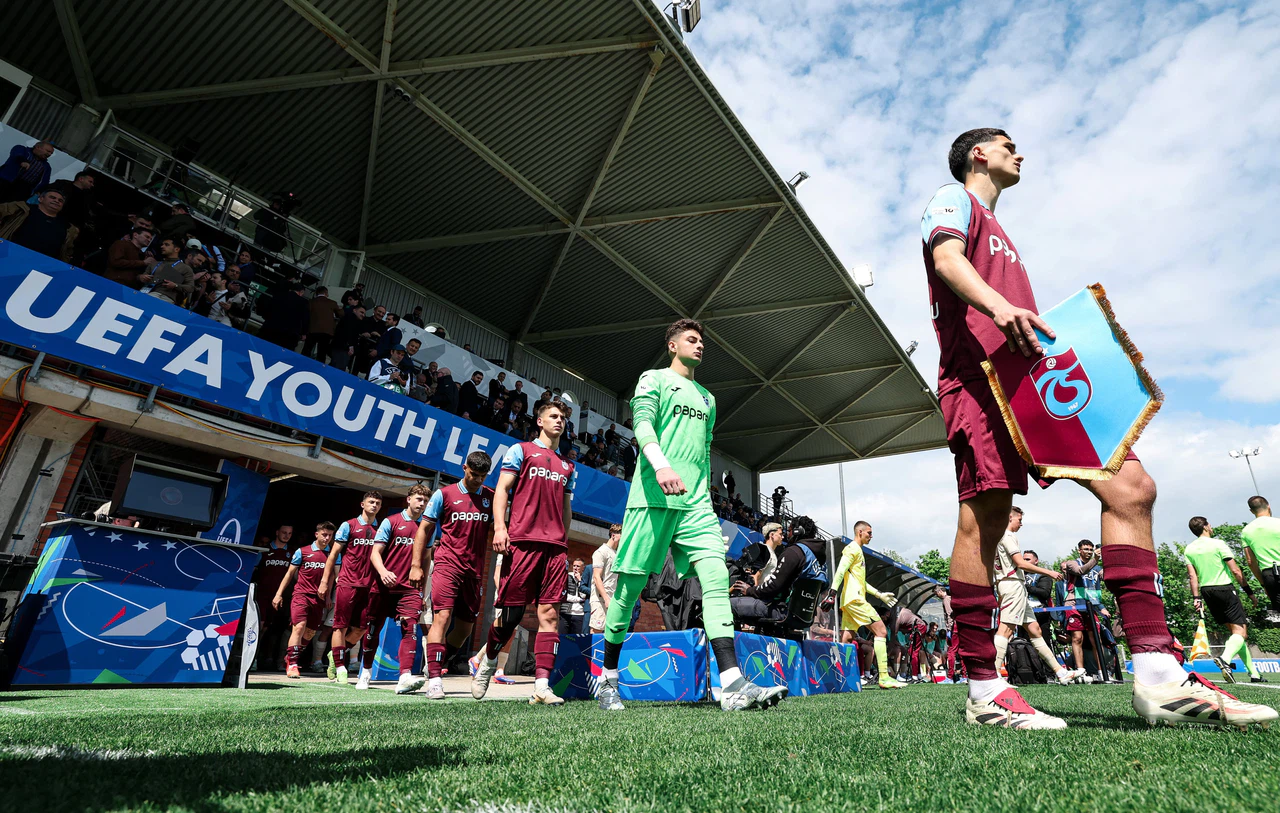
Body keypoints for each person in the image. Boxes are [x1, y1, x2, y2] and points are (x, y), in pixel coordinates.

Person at [921, 127, 1275, 729]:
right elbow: (946, 259)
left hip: (1034, 377)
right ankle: (983, 688)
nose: (1019, 154)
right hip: (978, 380)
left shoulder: (1003, 230)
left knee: (1132, 487)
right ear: (979, 154)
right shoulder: (952, 200)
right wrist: (1000, 307)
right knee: (984, 518)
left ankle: (1159, 674)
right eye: (1008, 145)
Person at [596, 319, 785, 713]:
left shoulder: (707, 398)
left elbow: (704, 450)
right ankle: (607, 679)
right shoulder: (653, 379)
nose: (699, 346)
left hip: (696, 505)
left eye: (702, 341)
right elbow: (642, 424)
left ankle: (731, 685)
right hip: (652, 498)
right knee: (628, 591)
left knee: (716, 578)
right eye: (691, 340)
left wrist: (707, 495)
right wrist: (661, 465)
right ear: (672, 345)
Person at [471, 400, 576, 706]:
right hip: (522, 542)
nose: (559, 420)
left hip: (554, 547)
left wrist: (564, 539)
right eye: (553, 416)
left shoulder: (568, 466)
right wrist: (500, 528)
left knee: (550, 615)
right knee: (511, 615)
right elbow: (502, 490)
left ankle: (541, 686)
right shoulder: (521, 450)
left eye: (562, 417)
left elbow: (566, 507)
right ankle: (489, 660)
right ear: (540, 421)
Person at [410, 451, 495, 699]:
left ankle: (436, 661)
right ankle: (435, 680)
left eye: (483, 476)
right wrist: (416, 565)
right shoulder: (444, 494)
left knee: (465, 628)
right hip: (447, 565)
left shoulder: (491, 498)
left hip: (474, 571)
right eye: (474, 474)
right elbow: (424, 530)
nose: (478, 480)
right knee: (442, 617)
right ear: (464, 467)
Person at [992, 507, 1085, 684]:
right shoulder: (1008, 536)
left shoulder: (997, 537)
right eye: (1019, 520)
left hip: (1010, 585)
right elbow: (1020, 563)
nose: (1021, 524)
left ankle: (1060, 672)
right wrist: (1048, 572)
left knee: (1035, 630)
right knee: (1006, 630)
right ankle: (994, 676)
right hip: (1013, 585)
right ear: (1010, 517)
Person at [360, 485, 432, 694]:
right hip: (383, 587)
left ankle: (404, 677)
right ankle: (365, 672)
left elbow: (426, 559)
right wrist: (383, 572)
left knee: (410, 628)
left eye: (425, 501)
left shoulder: (428, 527)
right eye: (419, 499)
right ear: (408, 499)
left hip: (410, 589)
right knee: (372, 630)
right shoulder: (390, 522)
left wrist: (423, 591)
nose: (422, 504)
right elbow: (375, 553)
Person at [1185, 516, 1261, 683]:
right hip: (1224, 589)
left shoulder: (1189, 549)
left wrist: (1196, 598)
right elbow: (1236, 571)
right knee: (1241, 632)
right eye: (1209, 524)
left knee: (1236, 634)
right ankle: (1225, 659)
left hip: (1207, 592)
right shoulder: (1218, 544)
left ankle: (1254, 674)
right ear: (1205, 527)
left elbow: (1192, 576)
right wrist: (1250, 592)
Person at [318, 491, 382, 685]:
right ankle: (340, 667)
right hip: (347, 582)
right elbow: (333, 554)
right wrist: (324, 581)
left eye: (378, 503)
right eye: (371, 502)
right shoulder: (349, 525)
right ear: (362, 504)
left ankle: (335, 654)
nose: (374, 505)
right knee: (340, 625)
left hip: (369, 585)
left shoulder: (381, 528)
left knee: (362, 628)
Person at [830, 521, 903, 689]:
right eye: (869, 533)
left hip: (849, 600)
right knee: (881, 631)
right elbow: (840, 570)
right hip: (855, 600)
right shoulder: (852, 549)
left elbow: (860, 581)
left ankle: (842, 679)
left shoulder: (858, 551)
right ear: (860, 532)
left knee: (847, 638)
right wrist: (833, 591)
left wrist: (879, 594)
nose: (871, 536)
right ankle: (884, 677)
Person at [730, 517, 827, 631]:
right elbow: (823, 587)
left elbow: (774, 586)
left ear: (797, 531)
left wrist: (749, 590)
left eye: (789, 530)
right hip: (804, 618)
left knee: (727, 604)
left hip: (781, 611)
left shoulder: (794, 552)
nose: (787, 535)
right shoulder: (819, 560)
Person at [272, 522, 338, 679]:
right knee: (299, 627)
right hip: (301, 595)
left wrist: (328, 596)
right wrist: (278, 594)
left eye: (330, 535)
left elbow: (333, 577)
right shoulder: (302, 551)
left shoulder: (334, 554)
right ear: (317, 534)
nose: (327, 538)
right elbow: (289, 574)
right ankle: (292, 663)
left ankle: (290, 655)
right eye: (324, 534)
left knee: (310, 633)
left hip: (319, 599)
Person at [253, 526, 294, 671]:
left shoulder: (292, 553)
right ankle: (252, 659)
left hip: (282, 598)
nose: (286, 535)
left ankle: (276, 660)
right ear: (277, 532)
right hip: (262, 595)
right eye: (284, 532)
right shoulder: (264, 550)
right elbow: (252, 570)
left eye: (289, 533)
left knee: (275, 630)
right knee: (259, 628)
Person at [0, 188, 77, 262]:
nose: (56, 201)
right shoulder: (22, 209)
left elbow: (67, 251)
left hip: (43, 266)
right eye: (52, 197)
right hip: (9, 257)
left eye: (60, 200)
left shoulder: (67, 227)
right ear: (41, 199)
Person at [1242, 496, 1280, 623]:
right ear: (1268, 506)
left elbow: (1250, 562)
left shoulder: (1246, 531)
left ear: (1251, 511)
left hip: (1269, 575)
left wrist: (1263, 584)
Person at [139, 238, 195, 306]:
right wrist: (141, 277)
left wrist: (175, 285)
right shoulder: (155, 263)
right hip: (145, 293)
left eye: (166, 245)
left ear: (176, 249)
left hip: (166, 299)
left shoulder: (185, 268)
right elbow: (141, 277)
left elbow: (190, 288)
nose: (162, 246)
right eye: (162, 244)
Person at [259, 281, 309, 351]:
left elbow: (268, 309)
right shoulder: (303, 302)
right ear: (301, 292)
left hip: (270, 329)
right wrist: (304, 333)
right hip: (289, 335)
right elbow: (305, 319)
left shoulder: (279, 295)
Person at [590, 525, 622, 634]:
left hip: (613, 598)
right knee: (597, 630)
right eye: (622, 536)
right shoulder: (601, 552)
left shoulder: (616, 554)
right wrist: (606, 598)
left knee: (612, 632)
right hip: (600, 599)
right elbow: (596, 577)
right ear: (613, 535)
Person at [303, 286, 343, 361]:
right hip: (327, 331)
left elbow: (306, 316)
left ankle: (302, 364)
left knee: (307, 350)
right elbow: (341, 314)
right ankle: (319, 367)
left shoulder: (311, 302)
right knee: (322, 353)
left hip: (312, 329)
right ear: (326, 293)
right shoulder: (332, 303)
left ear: (316, 293)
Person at [329, 304, 366, 371]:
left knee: (335, 366)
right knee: (338, 369)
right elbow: (347, 332)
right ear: (354, 310)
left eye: (364, 314)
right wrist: (350, 345)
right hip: (342, 348)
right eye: (361, 312)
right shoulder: (351, 319)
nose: (363, 315)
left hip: (341, 348)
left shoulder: (351, 319)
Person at [560, 558, 588, 634]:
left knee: (577, 638)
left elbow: (584, 595)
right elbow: (564, 595)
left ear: (583, 568)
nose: (575, 568)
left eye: (578, 566)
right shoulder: (567, 577)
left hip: (579, 614)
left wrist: (580, 581)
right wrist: (579, 599)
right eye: (574, 566)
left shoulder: (585, 579)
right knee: (562, 637)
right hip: (566, 613)